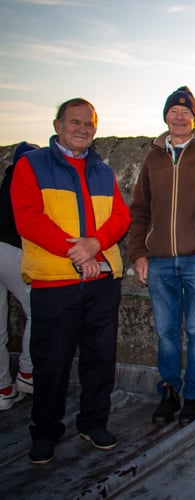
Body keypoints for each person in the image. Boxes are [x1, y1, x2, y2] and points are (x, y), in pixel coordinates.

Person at [11, 98, 131, 464]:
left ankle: (93, 423)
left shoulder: (103, 171)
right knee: (52, 364)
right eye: (75, 122)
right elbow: (28, 218)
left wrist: (95, 244)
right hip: (55, 281)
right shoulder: (31, 165)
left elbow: (120, 217)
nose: (82, 129)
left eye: (89, 124)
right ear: (58, 125)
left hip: (101, 282)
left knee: (99, 360)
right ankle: (45, 432)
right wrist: (77, 252)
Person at [129, 86, 195, 427]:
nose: (179, 116)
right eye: (174, 111)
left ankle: (194, 395)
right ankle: (169, 391)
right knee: (166, 333)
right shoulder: (152, 157)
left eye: (186, 111)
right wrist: (138, 253)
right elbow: (139, 210)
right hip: (159, 262)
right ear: (166, 116)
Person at [0, 142, 37, 411]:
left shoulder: (5, 181)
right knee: (38, 309)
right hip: (11, 250)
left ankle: (3, 389)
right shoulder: (27, 181)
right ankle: (27, 373)